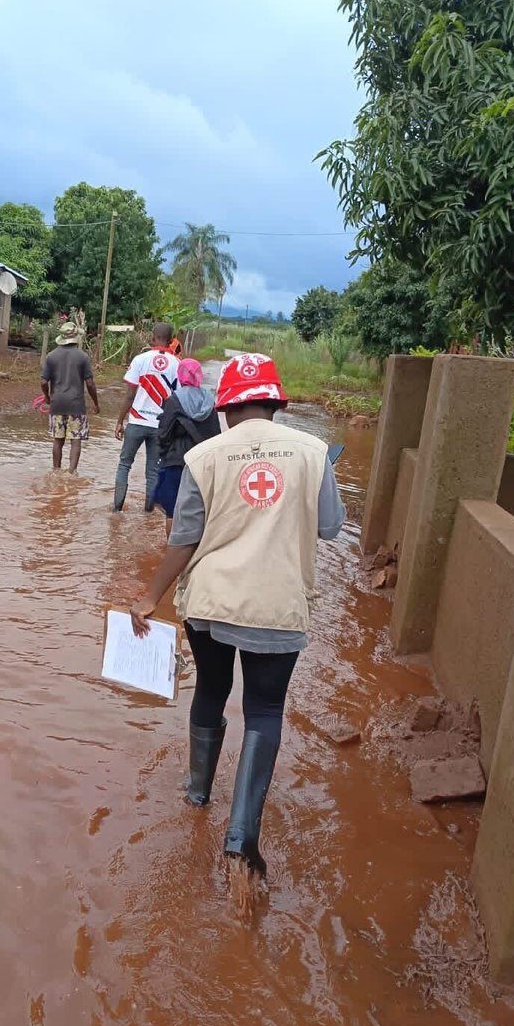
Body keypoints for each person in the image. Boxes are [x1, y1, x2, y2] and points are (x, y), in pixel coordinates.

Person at [130, 353, 345, 878]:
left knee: (210, 690)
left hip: (210, 603)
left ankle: (198, 794)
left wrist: (150, 596)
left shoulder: (206, 457)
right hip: (278, 606)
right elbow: (331, 528)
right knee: (265, 711)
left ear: (226, 409)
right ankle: (241, 836)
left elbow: (183, 540)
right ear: (275, 403)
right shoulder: (315, 453)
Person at [113, 323, 180, 512]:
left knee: (125, 464)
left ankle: (117, 510)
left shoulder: (140, 359)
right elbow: (177, 399)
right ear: (171, 339)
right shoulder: (177, 364)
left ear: (153, 337)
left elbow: (129, 395)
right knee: (153, 472)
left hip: (136, 421)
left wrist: (119, 421)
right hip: (160, 426)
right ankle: (148, 513)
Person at [152, 358, 220, 536]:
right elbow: (216, 434)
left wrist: (162, 455)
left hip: (176, 461)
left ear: (180, 375)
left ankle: (171, 551)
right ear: (199, 375)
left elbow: (164, 433)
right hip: (202, 463)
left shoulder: (174, 400)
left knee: (172, 510)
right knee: (199, 508)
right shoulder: (209, 401)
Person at [41, 321, 100, 474]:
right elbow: (90, 383)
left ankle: (56, 471)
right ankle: (72, 473)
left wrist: (47, 397)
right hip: (76, 405)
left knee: (57, 440)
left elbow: (43, 381)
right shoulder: (82, 357)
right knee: (75, 440)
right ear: (76, 337)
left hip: (57, 403)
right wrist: (95, 403)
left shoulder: (51, 356)